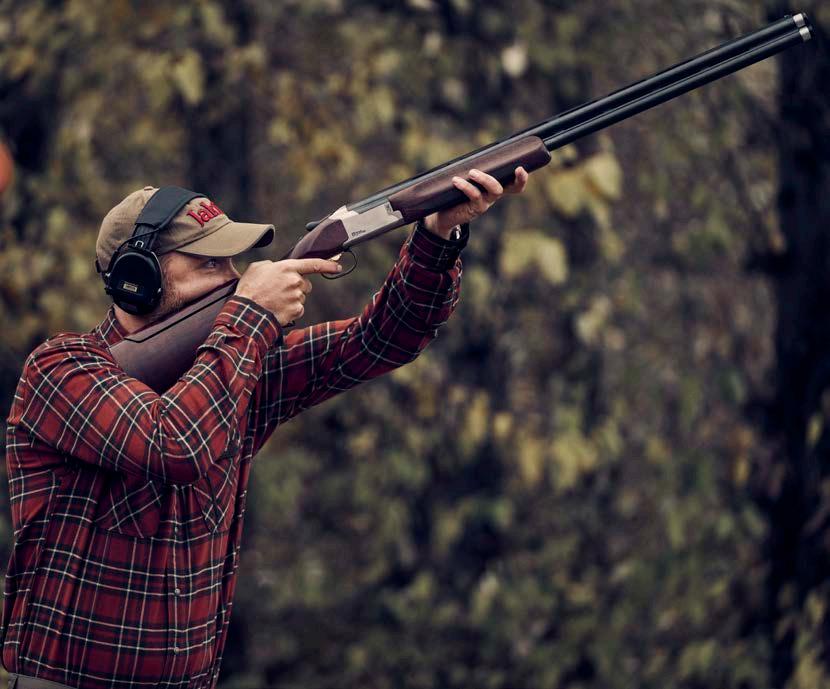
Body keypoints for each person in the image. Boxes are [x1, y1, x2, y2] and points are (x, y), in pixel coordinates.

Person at [1, 167, 529, 689]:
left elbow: (382, 340)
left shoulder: (238, 367)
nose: (234, 279)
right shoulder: (62, 369)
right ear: (135, 276)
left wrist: (437, 237)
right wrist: (251, 315)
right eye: (209, 262)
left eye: (233, 261)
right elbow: (175, 443)